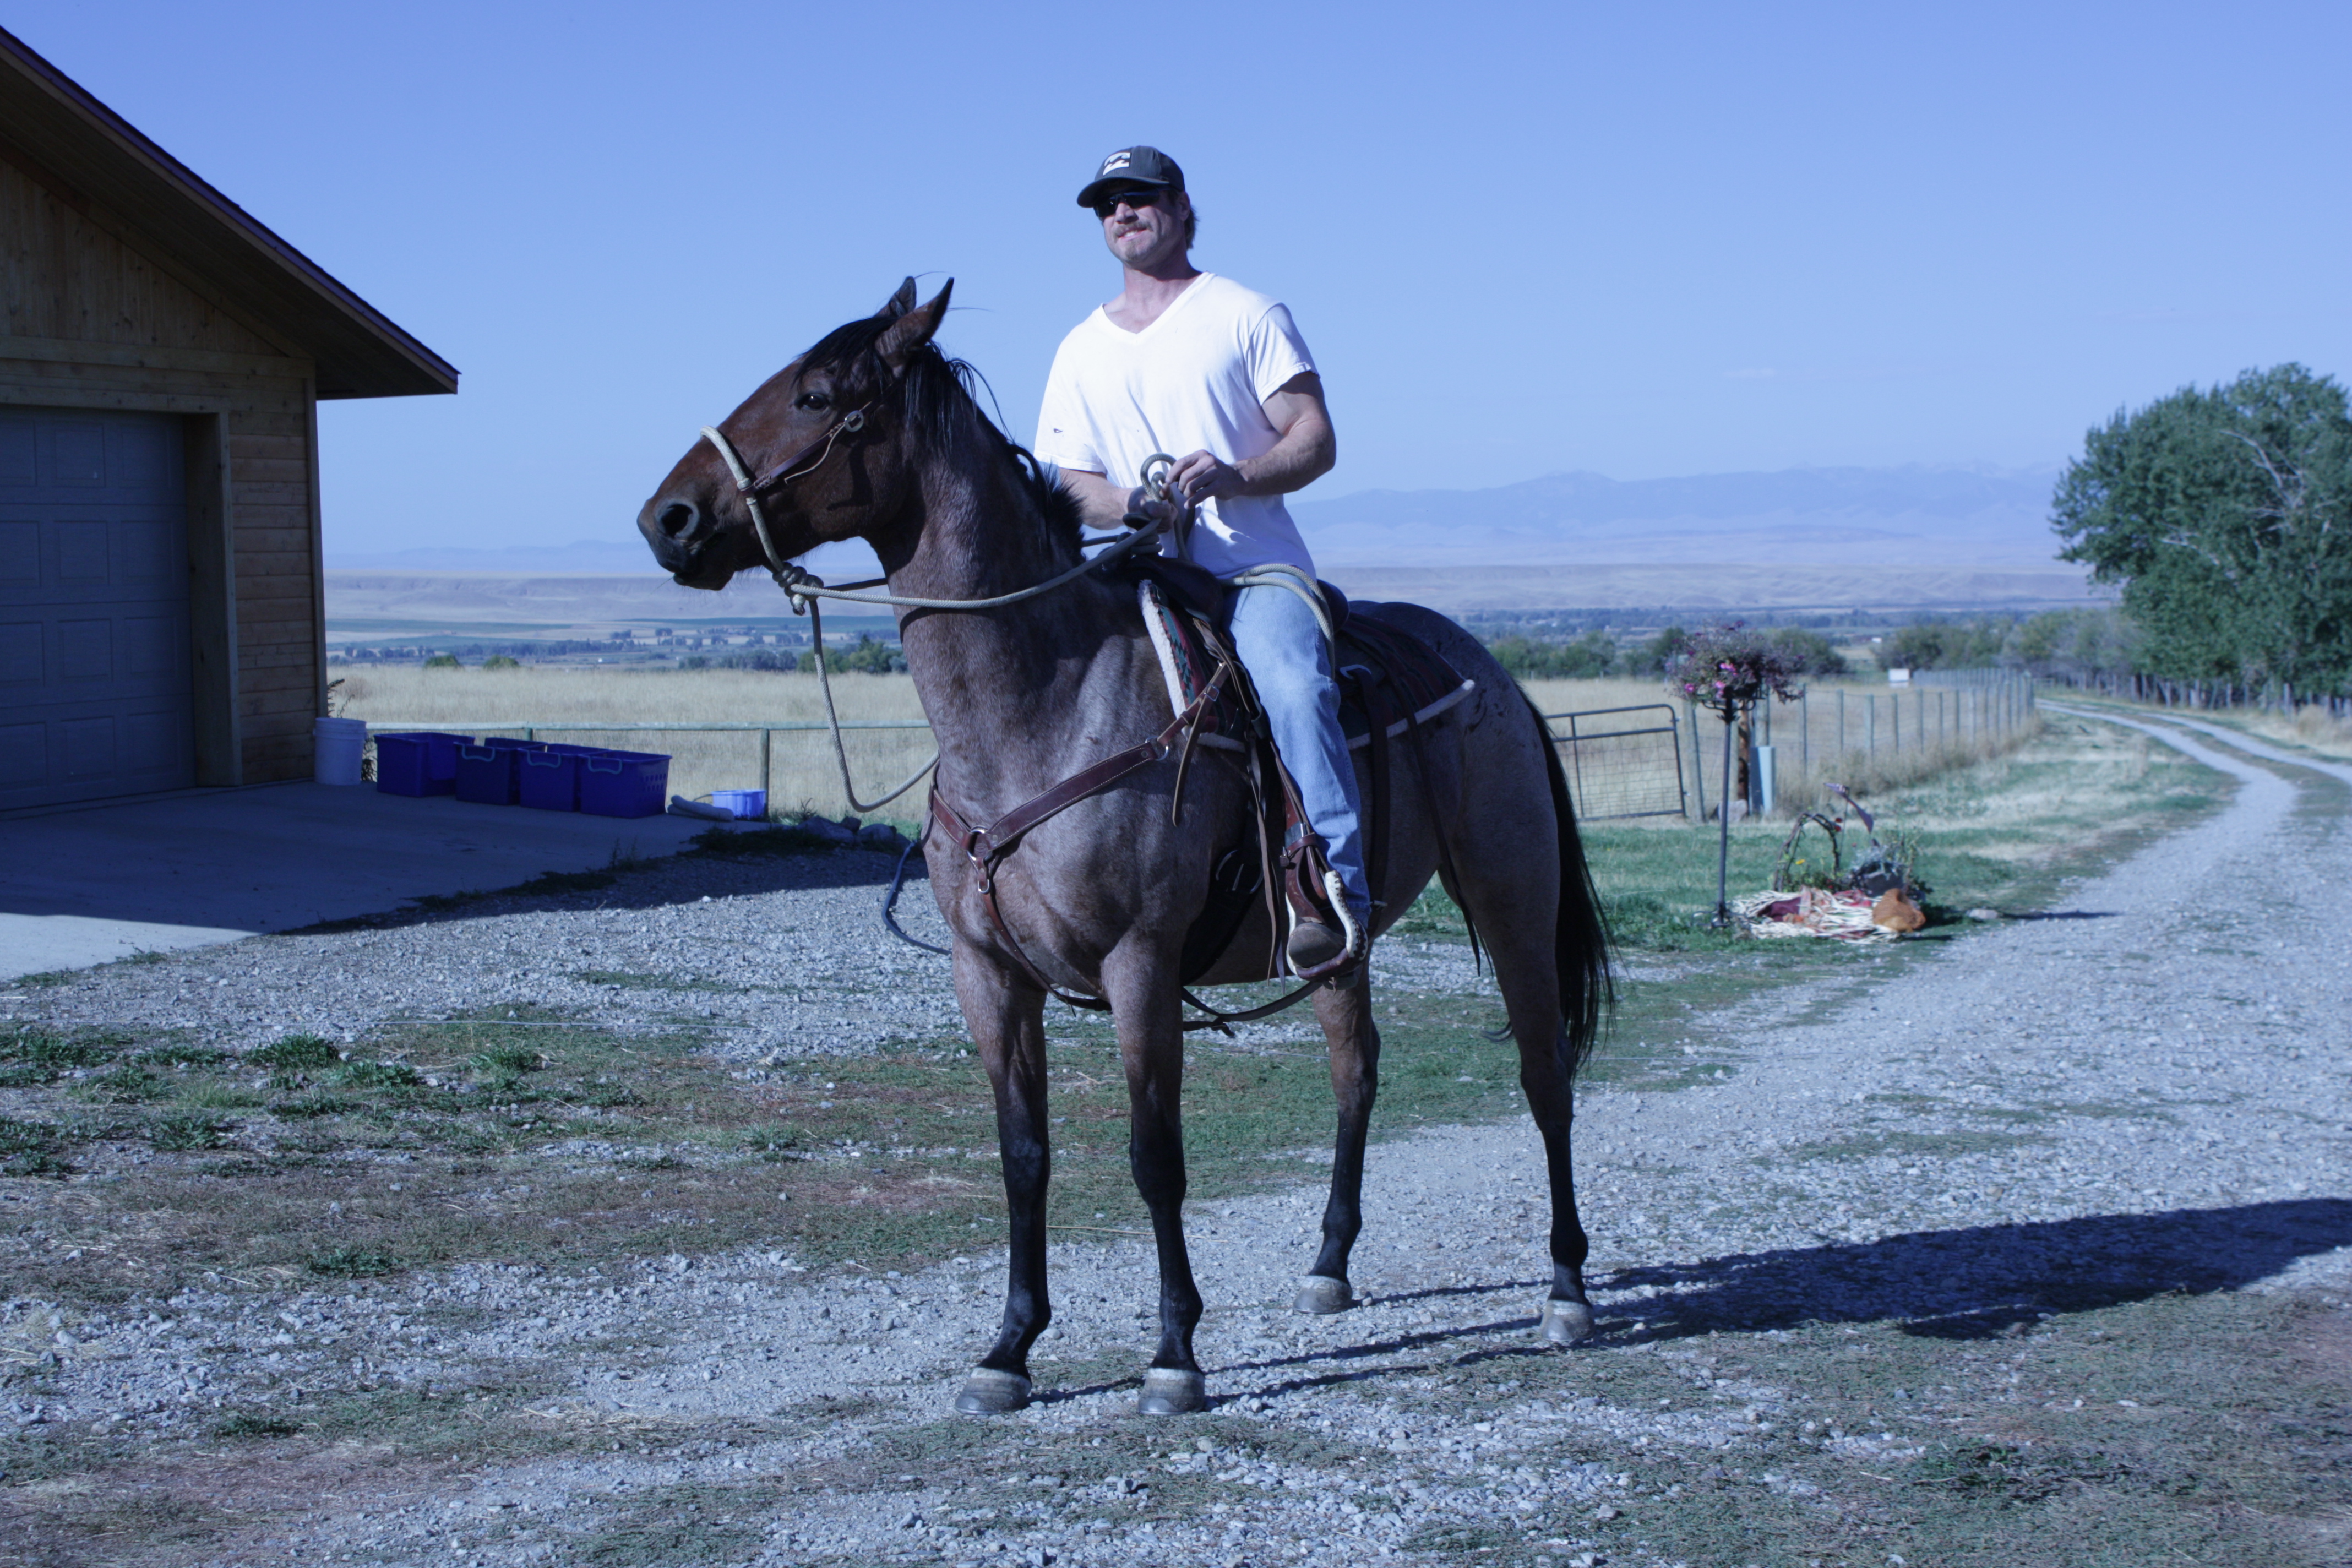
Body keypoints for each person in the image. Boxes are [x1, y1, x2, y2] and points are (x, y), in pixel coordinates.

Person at [1033, 145, 1369, 978]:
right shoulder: (1079, 347)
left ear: (1182, 208)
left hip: (1251, 571)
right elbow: (1068, 477)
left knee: (1293, 686)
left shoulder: (1246, 313)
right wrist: (1127, 506)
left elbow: (1316, 439)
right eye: (1107, 203)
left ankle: (1334, 888)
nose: (1122, 213)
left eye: (1140, 197)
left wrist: (1233, 475)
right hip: (1138, 570)